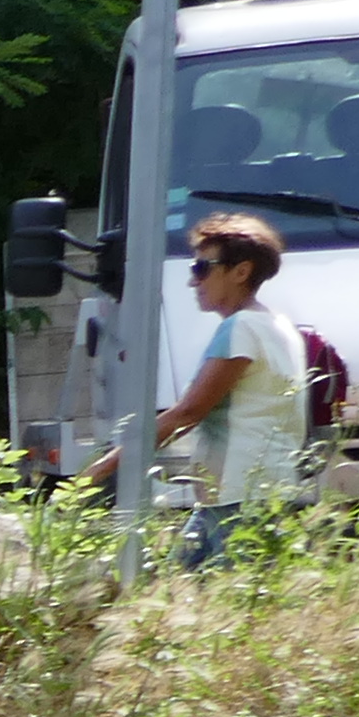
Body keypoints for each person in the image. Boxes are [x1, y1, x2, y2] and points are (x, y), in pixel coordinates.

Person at [83, 210, 306, 567]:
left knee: (219, 596)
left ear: (241, 272)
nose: (192, 281)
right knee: (171, 586)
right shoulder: (275, 324)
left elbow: (188, 412)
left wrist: (103, 467)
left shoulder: (241, 328)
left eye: (201, 268)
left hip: (238, 499)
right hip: (244, 495)